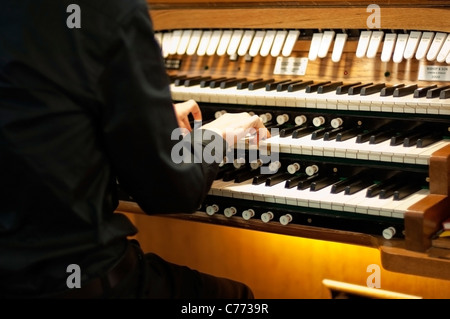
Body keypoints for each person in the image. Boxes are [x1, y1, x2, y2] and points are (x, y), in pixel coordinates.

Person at [0, 0, 269, 298]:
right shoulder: (105, 11)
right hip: (74, 280)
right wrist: (216, 135)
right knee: (238, 299)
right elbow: (172, 192)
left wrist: (142, 117)